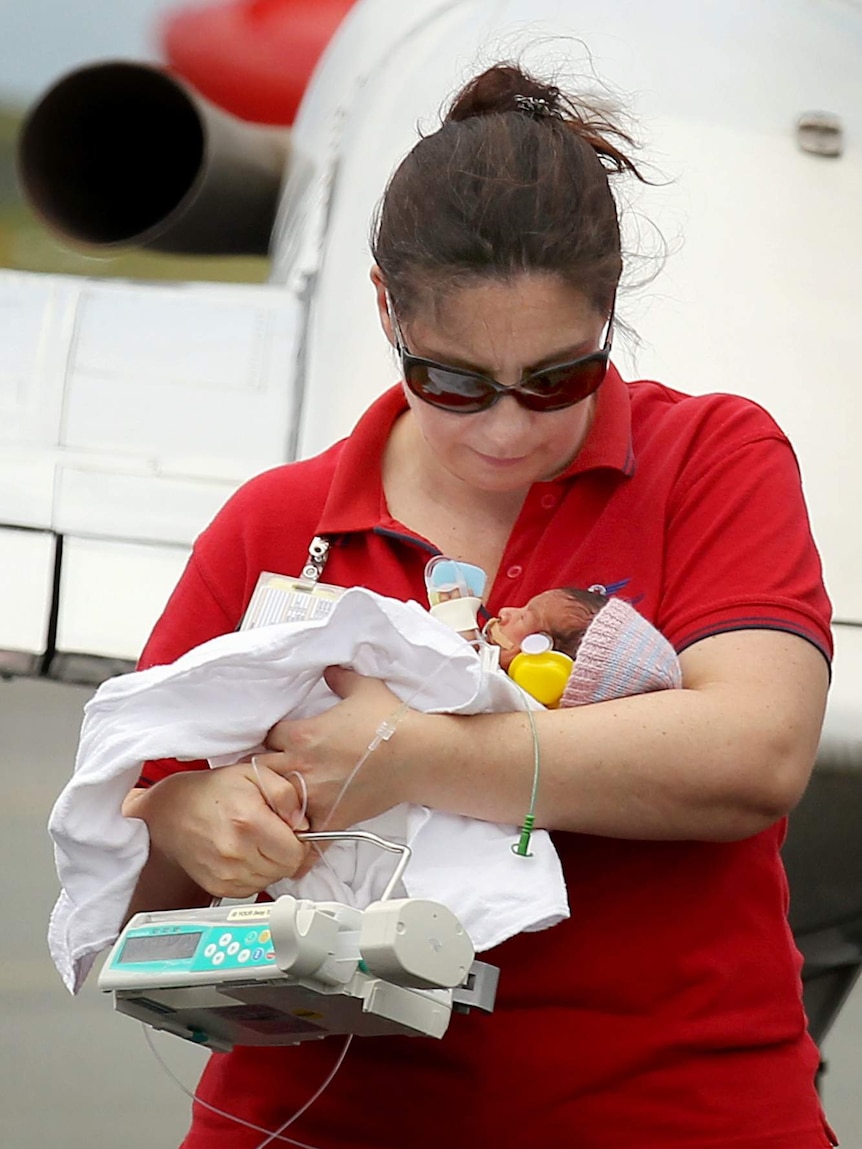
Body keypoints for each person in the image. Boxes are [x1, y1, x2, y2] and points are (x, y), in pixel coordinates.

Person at [116, 61, 834, 1149]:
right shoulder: (275, 519)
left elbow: (756, 751)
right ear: (384, 308)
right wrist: (184, 822)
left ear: (609, 308)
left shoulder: (711, 458)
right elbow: (124, 857)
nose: (506, 429)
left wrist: (408, 754)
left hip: (675, 1116)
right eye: (451, 381)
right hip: (308, 1122)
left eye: (556, 378)